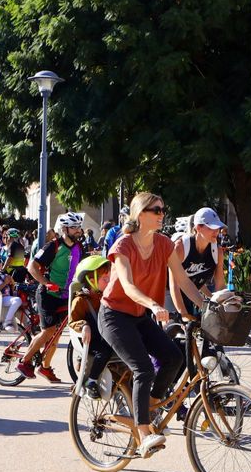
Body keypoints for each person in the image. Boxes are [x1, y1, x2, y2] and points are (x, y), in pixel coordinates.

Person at [98, 192, 208, 458]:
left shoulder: (164, 244)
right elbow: (128, 286)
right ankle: (144, 432)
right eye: (155, 210)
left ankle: (149, 409)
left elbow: (183, 281)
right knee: (143, 368)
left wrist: (208, 305)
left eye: (162, 209)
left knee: (173, 357)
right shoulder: (123, 246)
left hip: (140, 315)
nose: (161, 214)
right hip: (114, 315)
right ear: (140, 215)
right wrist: (154, 305)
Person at [20, 213, 87, 383]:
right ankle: (24, 362)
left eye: (79, 227)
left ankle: (45, 367)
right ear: (64, 229)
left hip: (66, 295)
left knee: (57, 335)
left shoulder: (79, 247)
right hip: (48, 294)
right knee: (48, 331)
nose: (78, 230)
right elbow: (32, 266)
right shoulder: (54, 246)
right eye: (74, 227)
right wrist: (46, 282)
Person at [67, 254, 116, 395]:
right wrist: (84, 325)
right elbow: (73, 321)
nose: (109, 282)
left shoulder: (109, 296)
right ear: (92, 280)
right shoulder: (81, 300)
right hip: (93, 339)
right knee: (105, 350)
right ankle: (91, 381)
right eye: (105, 279)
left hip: (107, 334)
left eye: (110, 278)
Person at [174, 207, 228, 314]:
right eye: (211, 228)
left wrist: (227, 304)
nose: (216, 232)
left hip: (190, 292)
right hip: (167, 290)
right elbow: (174, 284)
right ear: (198, 227)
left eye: (217, 228)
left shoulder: (217, 251)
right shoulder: (181, 247)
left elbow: (220, 285)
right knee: (174, 326)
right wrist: (182, 313)